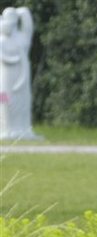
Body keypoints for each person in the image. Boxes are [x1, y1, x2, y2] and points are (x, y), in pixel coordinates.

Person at [0, 7, 40, 141]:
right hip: (5, 77)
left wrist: (19, 12)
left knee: (23, 102)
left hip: (21, 77)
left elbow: (28, 25)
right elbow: (4, 57)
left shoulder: (22, 39)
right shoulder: (1, 41)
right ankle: (6, 128)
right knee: (4, 100)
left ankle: (22, 129)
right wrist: (17, 58)